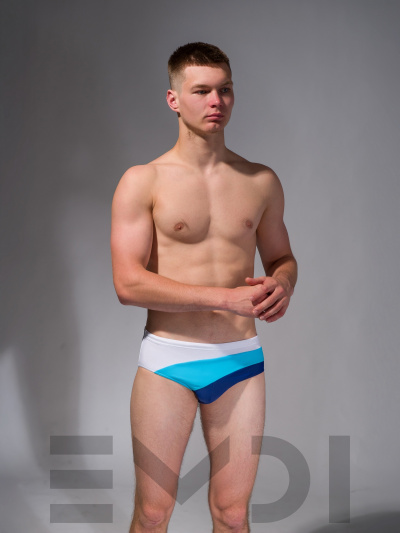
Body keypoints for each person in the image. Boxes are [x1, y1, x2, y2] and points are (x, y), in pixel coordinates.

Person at [110, 42, 297, 533]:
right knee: (153, 514)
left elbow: (282, 258)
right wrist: (225, 298)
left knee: (233, 516)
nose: (216, 101)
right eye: (201, 91)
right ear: (173, 99)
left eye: (225, 90)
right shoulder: (143, 180)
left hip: (240, 360)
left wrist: (283, 282)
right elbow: (127, 283)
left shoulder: (260, 180)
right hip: (170, 360)